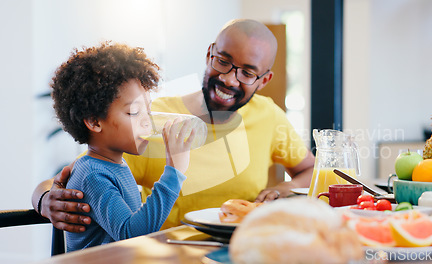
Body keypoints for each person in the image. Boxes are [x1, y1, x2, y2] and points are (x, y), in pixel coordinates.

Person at [32, 19, 315, 232]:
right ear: (209, 55)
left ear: (264, 80)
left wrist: (282, 190)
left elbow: (310, 169)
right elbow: (77, 176)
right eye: (223, 62)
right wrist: (45, 198)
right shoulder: (150, 121)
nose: (229, 79)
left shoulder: (269, 115)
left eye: (247, 73)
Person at [49, 42, 194, 251]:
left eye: (149, 110)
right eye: (134, 112)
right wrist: (174, 172)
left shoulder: (115, 164)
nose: (147, 121)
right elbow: (131, 234)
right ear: (94, 121)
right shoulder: (93, 174)